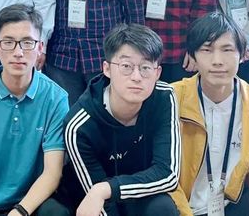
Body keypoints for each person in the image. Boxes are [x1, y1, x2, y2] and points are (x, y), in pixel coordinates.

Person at [0, 4, 70, 216]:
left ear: (40, 47)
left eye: (27, 43)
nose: (18, 52)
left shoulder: (56, 98)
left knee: (56, 212)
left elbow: (52, 173)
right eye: (8, 42)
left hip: (29, 205)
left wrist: (19, 212)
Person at [170, 12, 249, 216]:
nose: (217, 61)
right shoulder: (171, 99)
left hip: (232, 203)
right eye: (207, 50)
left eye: (227, 50)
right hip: (181, 205)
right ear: (193, 56)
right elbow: (161, 169)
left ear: (242, 55)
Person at [62, 23, 180, 216]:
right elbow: (95, 199)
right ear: (107, 69)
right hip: (90, 200)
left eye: (145, 67)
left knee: (162, 207)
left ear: (157, 73)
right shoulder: (79, 124)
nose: (136, 77)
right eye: (126, 66)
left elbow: (168, 175)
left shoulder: (165, 97)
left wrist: (106, 188)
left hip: (138, 193)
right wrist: (101, 191)